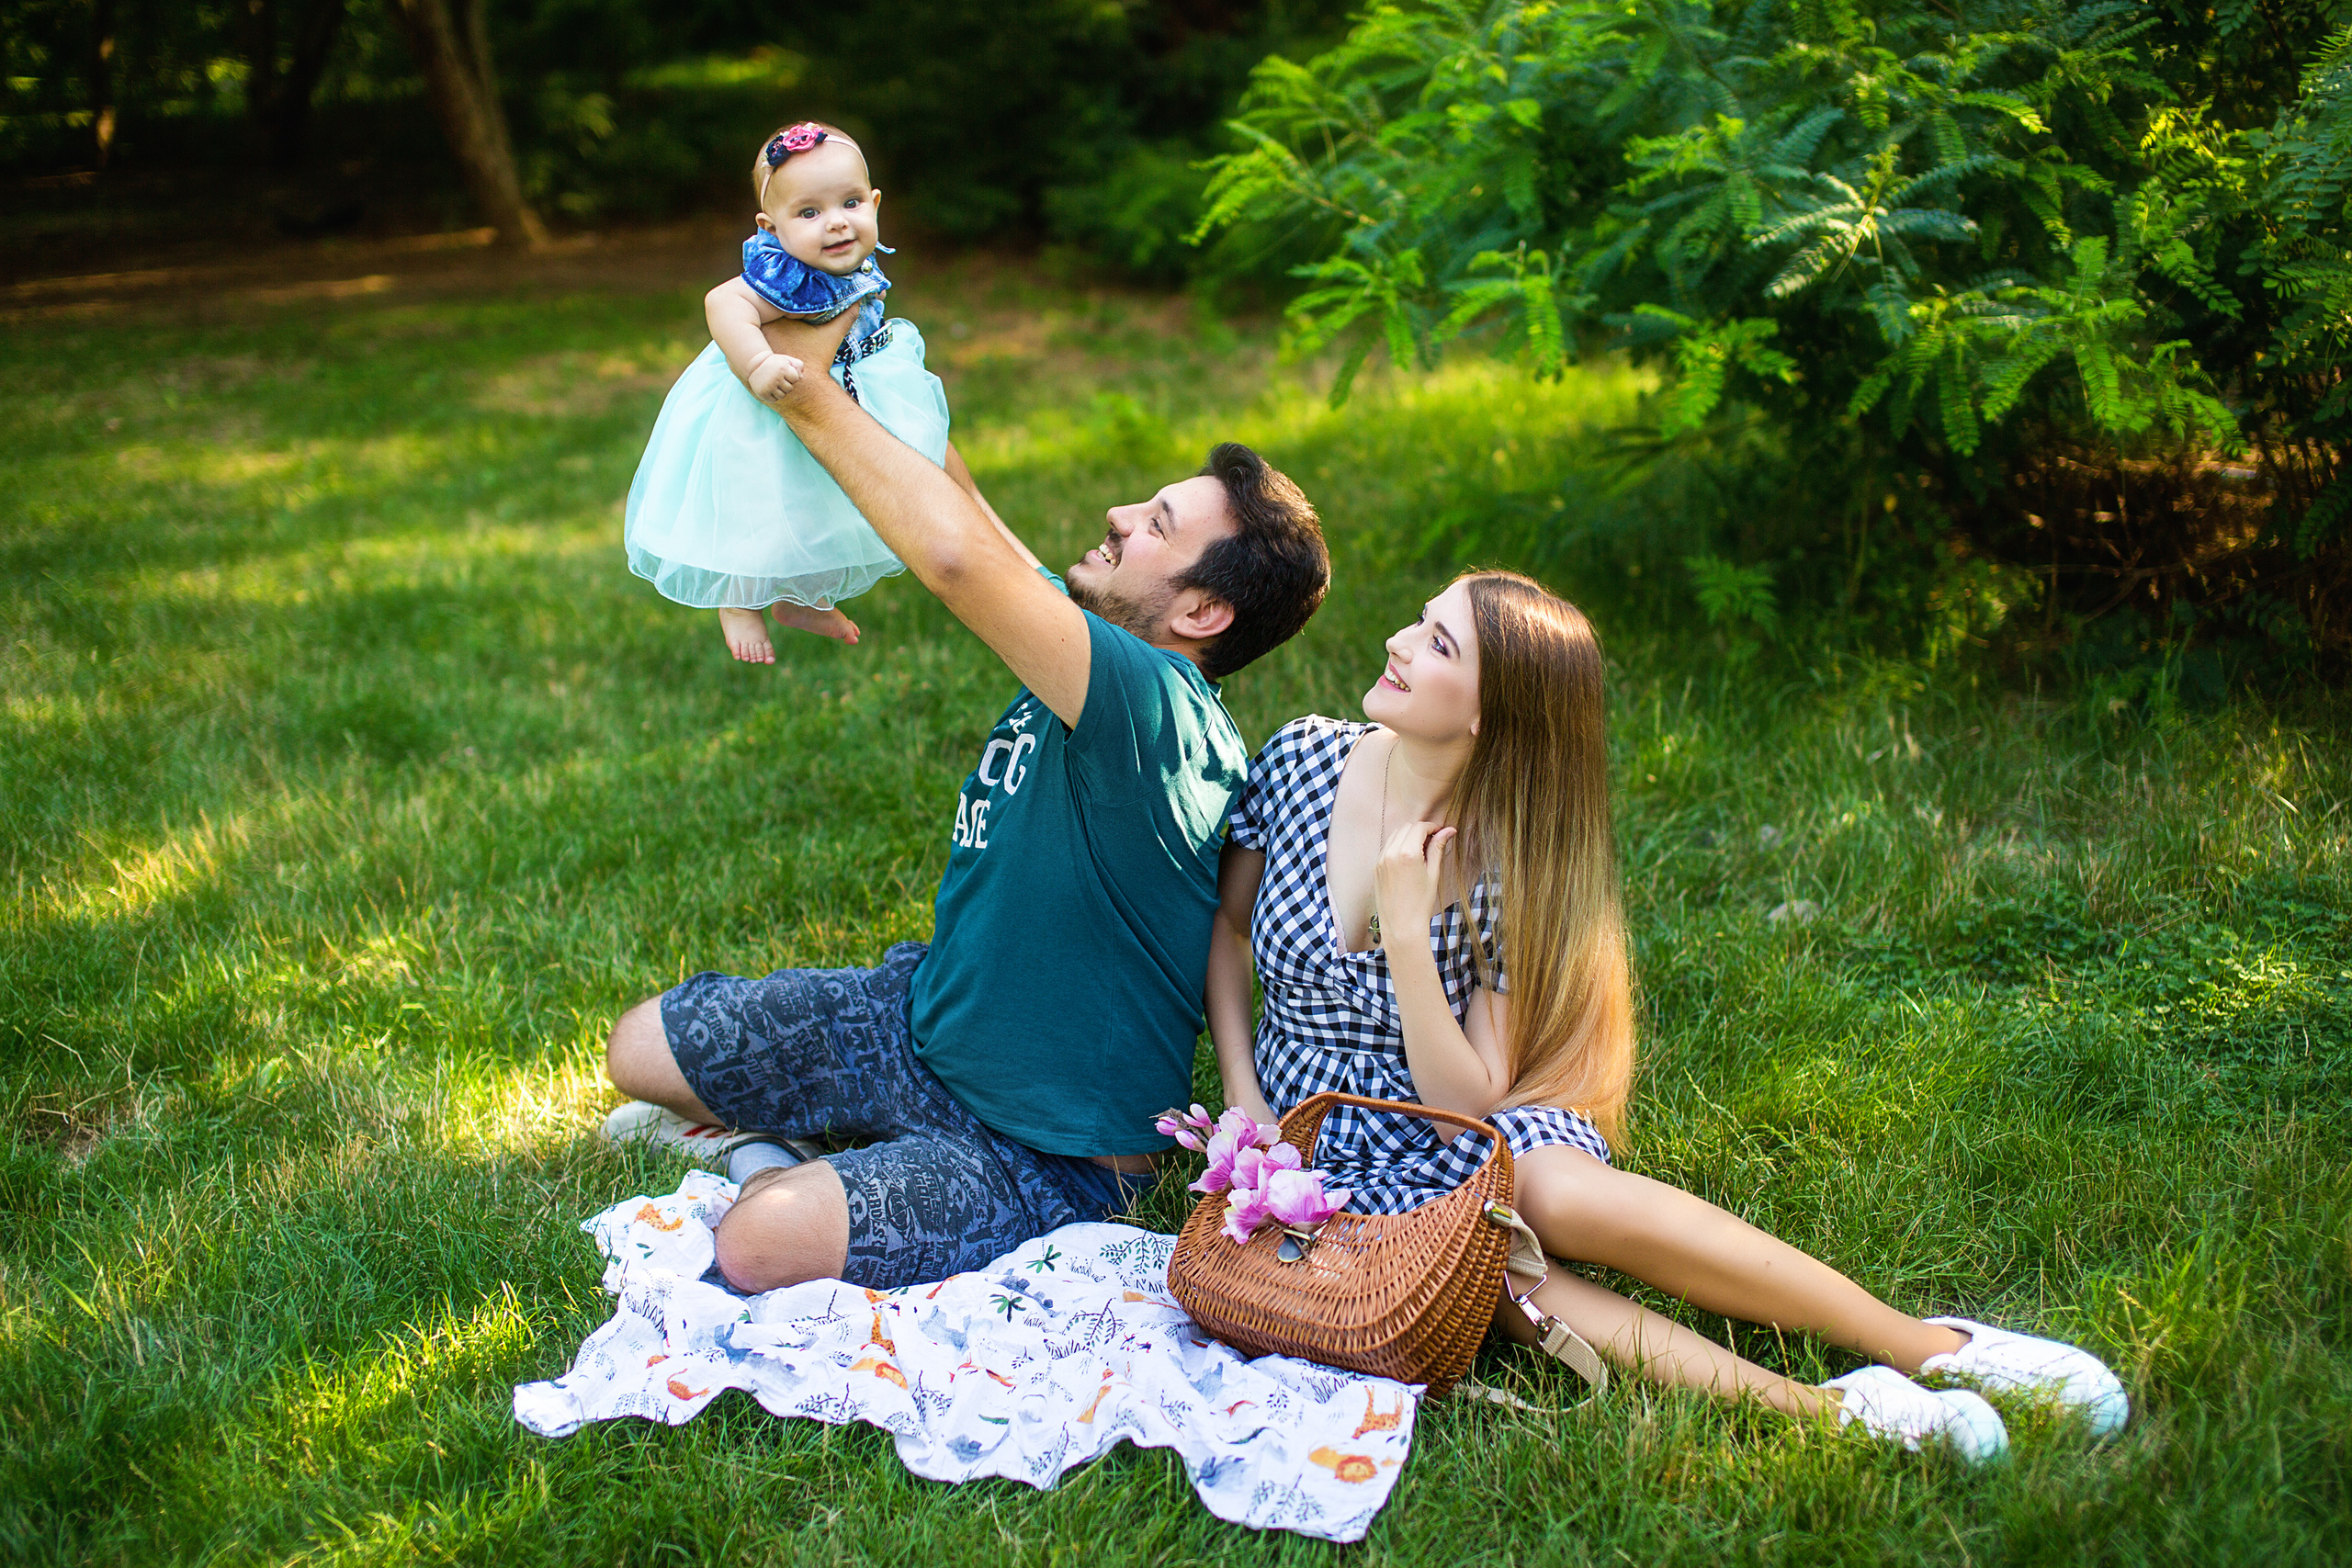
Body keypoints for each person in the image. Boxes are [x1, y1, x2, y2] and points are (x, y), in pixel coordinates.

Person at [1205, 570, 2127, 1459]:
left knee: (1555, 1194)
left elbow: (1471, 1096)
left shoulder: (1507, 861)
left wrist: (1409, 938)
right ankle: (1822, 1411)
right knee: (1492, 1275)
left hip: (1451, 1121)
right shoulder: (1300, 760)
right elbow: (1229, 929)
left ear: (1491, 713)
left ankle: (1930, 1346)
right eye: (1419, 621)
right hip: (1319, 1142)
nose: (1396, 643)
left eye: (1436, 643)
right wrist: (1247, 1102)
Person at [603, 284, 1331, 1293]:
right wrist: (873, 351)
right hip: (927, 1023)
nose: (1119, 513)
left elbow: (951, 560)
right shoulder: (1104, 655)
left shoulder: (1155, 708)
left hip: (1048, 1149)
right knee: (635, 1048)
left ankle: (780, 1155)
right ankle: (839, 1135)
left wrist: (805, 392)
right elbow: (969, 519)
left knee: (758, 1242)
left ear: (1203, 612)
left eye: (1157, 524)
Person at [624, 119, 1000, 662]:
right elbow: (722, 303)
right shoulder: (784, 273)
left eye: (850, 203)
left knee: (824, 505)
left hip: (850, 385)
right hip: (766, 406)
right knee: (757, 503)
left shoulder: (847, 257)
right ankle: (739, 599)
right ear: (770, 228)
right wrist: (757, 363)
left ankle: (804, 597)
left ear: (874, 203)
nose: (836, 224)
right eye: (809, 213)